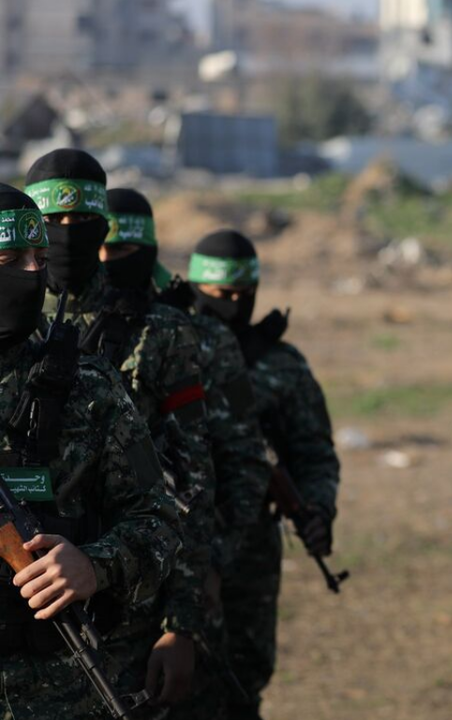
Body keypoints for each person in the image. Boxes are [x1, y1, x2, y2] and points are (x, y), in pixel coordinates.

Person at [25, 149, 217, 709]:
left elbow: (192, 482)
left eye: (81, 220)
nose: (66, 233)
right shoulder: (16, 323)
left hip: (125, 609)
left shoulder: (161, 331)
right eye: (52, 221)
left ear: (103, 227)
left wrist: (181, 625)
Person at [0, 182, 181, 718]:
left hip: (58, 694)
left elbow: (158, 520)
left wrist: (94, 565)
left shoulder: (88, 386)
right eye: (10, 260)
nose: (34, 273)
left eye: (39, 259)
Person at [105, 188, 273, 719]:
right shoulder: (45, 333)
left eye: (121, 250)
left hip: (180, 575)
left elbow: (241, 460)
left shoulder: (190, 336)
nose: (105, 261)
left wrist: (210, 568)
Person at [186, 229, 340, 720]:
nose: (233, 306)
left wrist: (318, 509)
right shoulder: (169, 348)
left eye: (243, 295)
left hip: (250, 546)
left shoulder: (281, 365)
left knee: (243, 678)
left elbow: (314, 452)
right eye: (220, 295)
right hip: (175, 538)